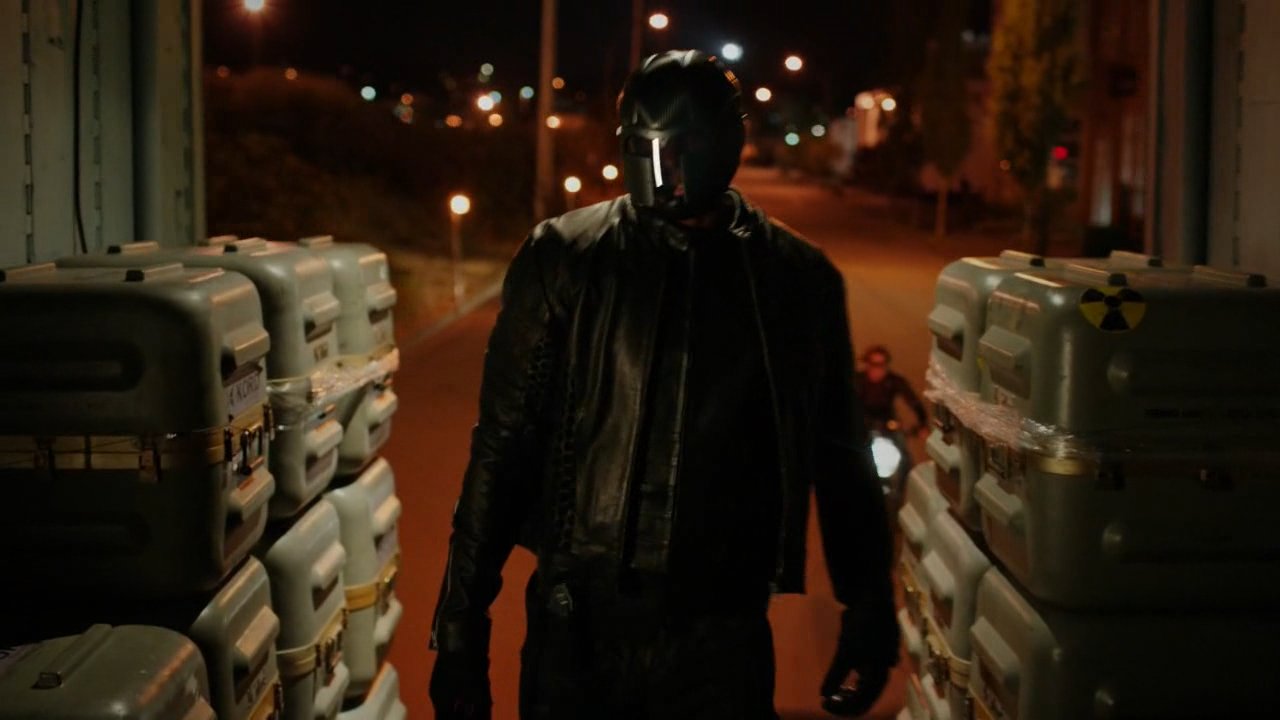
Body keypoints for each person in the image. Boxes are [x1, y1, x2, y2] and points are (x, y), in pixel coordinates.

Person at [428, 50, 898, 720]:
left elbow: (841, 454)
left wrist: (869, 608)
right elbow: (502, 447)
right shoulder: (565, 257)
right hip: (576, 633)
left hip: (720, 642)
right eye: (642, 149)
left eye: (676, 150)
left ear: (721, 145)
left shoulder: (796, 281)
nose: (659, 171)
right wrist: (459, 626)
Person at [855, 345, 928, 435]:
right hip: (860, 424)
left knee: (899, 439)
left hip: (887, 424)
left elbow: (913, 401)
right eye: (874, 364)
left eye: (882, 365)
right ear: (867, 364)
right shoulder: (857, 380)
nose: (878, 369)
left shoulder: (894, 381)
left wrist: (922, 423)